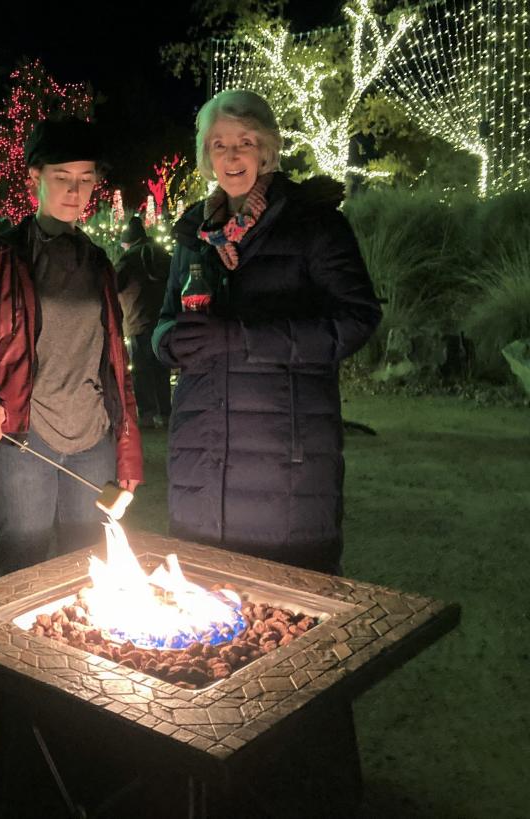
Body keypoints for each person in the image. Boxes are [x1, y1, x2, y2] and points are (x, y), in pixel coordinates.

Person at [154, 89, 382, 576]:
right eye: (219, 144)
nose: (232, 155)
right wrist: (170, 342)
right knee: (205, 617)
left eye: (245, 141)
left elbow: (357, 319)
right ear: (206, 155)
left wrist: (241, 338)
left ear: (267, 147)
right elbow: (163, 322)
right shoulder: (194, 232)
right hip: (202, 457)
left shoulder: (315, 223)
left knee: (291, 621)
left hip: (286, 465)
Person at [0, 118, 143, 576]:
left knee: (90, 563)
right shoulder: (1, 256)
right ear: (35, 178)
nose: (75, 191)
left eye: (86, 179)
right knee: (23, 561)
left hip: (92, 437)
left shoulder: (97, 262)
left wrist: (128, 448)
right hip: (22, 438)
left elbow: (117, 364)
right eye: (62, 178)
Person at [115, 214, 172, 428]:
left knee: (141, 370)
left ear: (127, 242)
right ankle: (165, 413)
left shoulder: (128, 259)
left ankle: (146, 414)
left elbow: (112, 285)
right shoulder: (162, 254)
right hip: (164, 321)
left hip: (137, 321)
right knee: (161, 368)